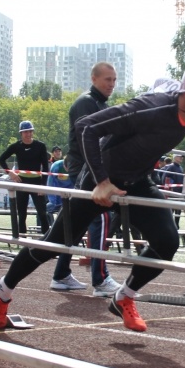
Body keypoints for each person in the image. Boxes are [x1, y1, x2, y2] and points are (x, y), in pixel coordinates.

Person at [0, 61, 185, 332]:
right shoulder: (150, 108)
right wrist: (101, 181)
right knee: (54, 243)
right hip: (99, 179)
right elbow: (87, 127)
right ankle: (2, 291)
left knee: (167, 241)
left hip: (136, 180)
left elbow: (164, 80)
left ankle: (123, 297)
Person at [52, 62, 120, 296]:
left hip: (90, 169)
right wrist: (100, 176)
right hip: (84, 168)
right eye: (107, 79)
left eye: (114, 80)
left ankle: (60, 274)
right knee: (100, 218)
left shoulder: (101, 103)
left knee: (75, 222)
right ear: (93, 79)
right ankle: (100, 280)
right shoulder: (85, 103)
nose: (111, 84)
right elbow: (88, 141)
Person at [0, 121, 51, 235]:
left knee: (42, 213)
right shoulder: (16, 146)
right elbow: (1, 159)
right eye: (25, 132)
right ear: (21, 133)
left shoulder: (40, 146)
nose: (28, 134)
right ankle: (21, 239)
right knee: (22, 214)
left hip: (37, 182)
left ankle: (47, 239)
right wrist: (10, 173)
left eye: (30, 131)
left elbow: (46, 167)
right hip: (21, 181)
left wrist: (43, 186)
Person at [46, 159, 72, 225]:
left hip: (71, 195)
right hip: (57, 195)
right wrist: (54, 202)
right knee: (44, 209)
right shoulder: (56, 166)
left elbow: (77, 184)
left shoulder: (76, 167)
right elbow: (50, 184)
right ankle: (50, 227)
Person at [162, 153, 185, 226]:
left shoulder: (180, 167)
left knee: (178, 210)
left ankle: (176, 225)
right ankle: (169, 225)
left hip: (179, 192)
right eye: (180, 156)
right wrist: (169, 189)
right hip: (172, 192)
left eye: (182, 157)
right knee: (171, 210)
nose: (181, 158)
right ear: (175, 157)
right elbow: (165, 178)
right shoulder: (171, 167)